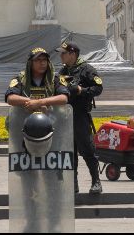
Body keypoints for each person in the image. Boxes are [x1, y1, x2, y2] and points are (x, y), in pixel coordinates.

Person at [55, 41, 104, 194]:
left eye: (63, 53)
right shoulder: (62, 71)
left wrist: (81, 90)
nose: (61, 56)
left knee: (87, 150)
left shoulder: (86, 69)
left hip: (80, 115)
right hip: (65, 116)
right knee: (69, 152)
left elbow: (98, 88)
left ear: (72, 54)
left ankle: (96, 181)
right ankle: (73, 184)